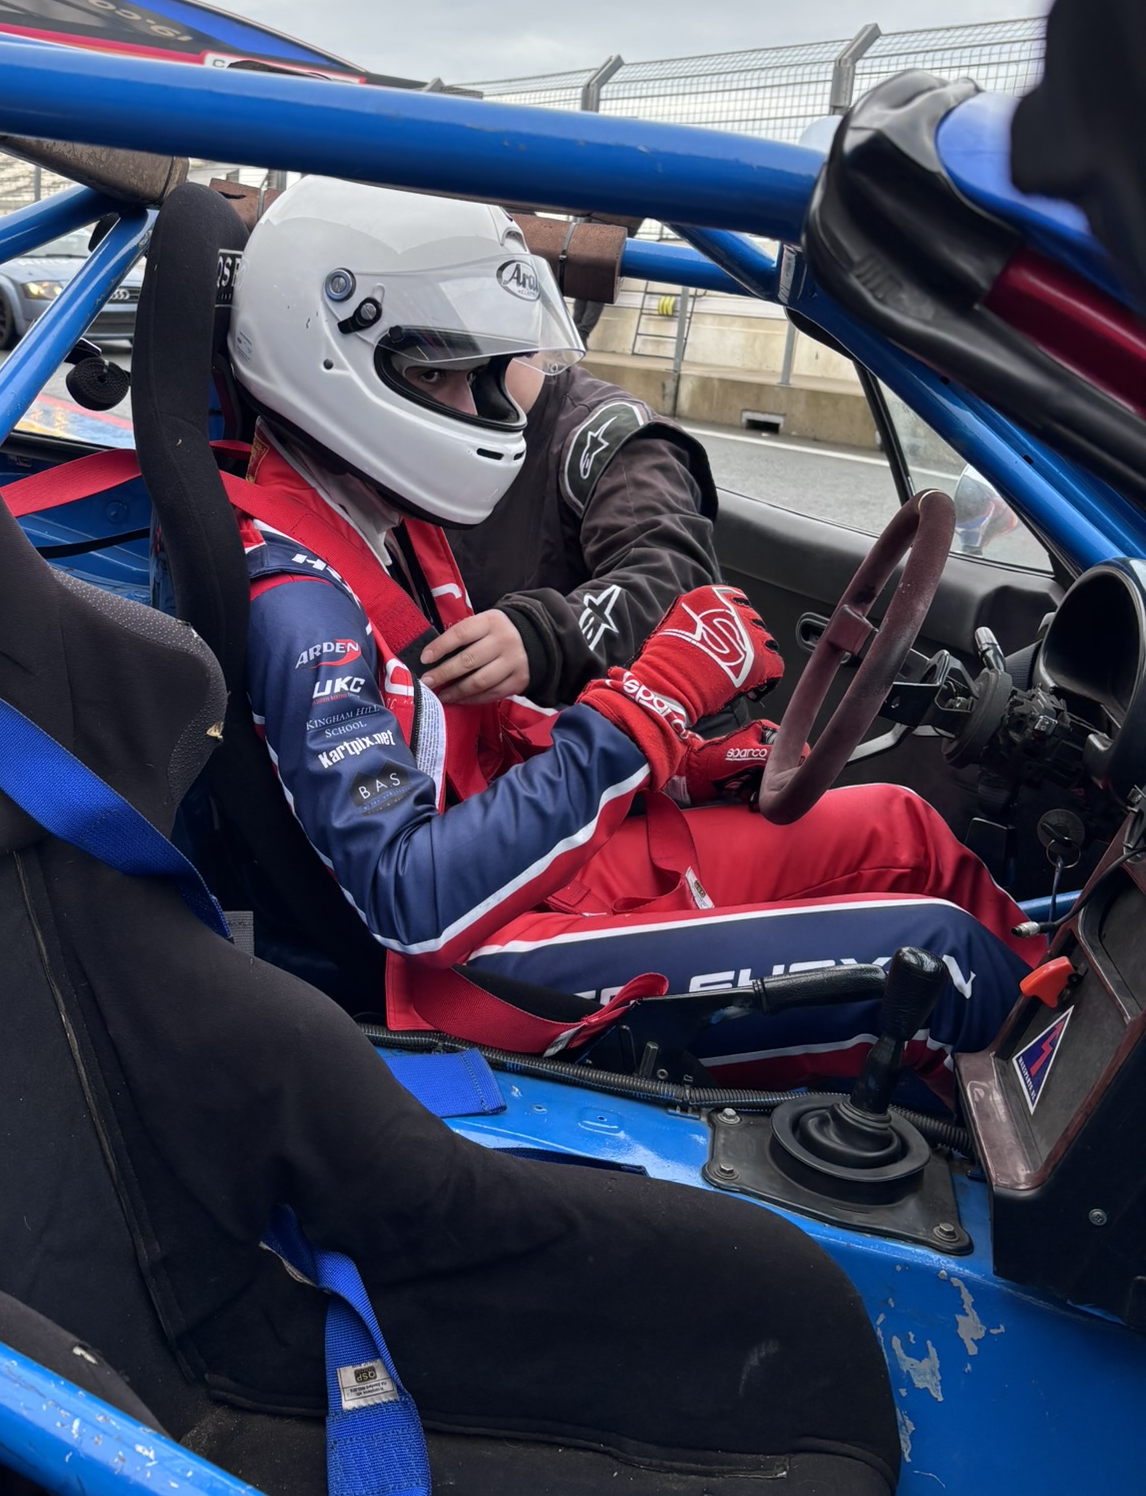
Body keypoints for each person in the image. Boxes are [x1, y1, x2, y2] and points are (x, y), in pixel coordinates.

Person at [224, 176, 1040, 1096]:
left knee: (901, 824)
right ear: (327, 358)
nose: (479, 407)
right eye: (441, 374)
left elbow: (470, 738)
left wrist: (677, 758)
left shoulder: (387, 523)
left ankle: (1056, 1021)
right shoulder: (299, 601)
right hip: (476, 958)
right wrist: (645, 709)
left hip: (525, 858)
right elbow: (411, 899)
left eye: (484, 373)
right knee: (940, 956)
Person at [432, 356, 719, 707]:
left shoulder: (613, 441)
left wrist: (542, 637)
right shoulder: (432, 428)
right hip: (470, 717)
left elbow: (672, 580)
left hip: (641, 724)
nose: (455, 394)